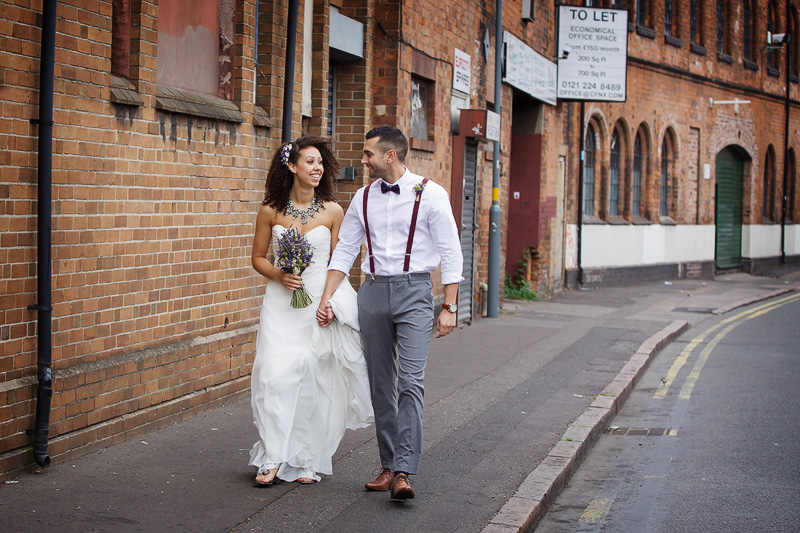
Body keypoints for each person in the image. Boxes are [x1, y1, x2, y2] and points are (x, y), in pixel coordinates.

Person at [316, 126, 463, 501]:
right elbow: (346, 249)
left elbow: (451, 251)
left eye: (368, 155)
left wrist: (449, 305)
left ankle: (404, 471)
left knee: (410, 382)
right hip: (374, 292)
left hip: (415, 292)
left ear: (390, 156)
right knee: (380, 382)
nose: (363, 160)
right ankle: (387, 465)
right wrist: (326, 297)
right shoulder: (363, 197)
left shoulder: (430, 194)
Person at [249, 136, 373, 486]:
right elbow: (258, 257)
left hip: (317, 301)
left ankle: (302, 458)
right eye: (310, 161)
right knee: (274, 374)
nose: (317, 168)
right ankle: (272, 456)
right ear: (291, 166)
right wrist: (280, 274)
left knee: (310, 379)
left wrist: (331, 304)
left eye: (321, 162)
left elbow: (341, 262)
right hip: (280, 302)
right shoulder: (270, 210)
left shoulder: (334, 210)